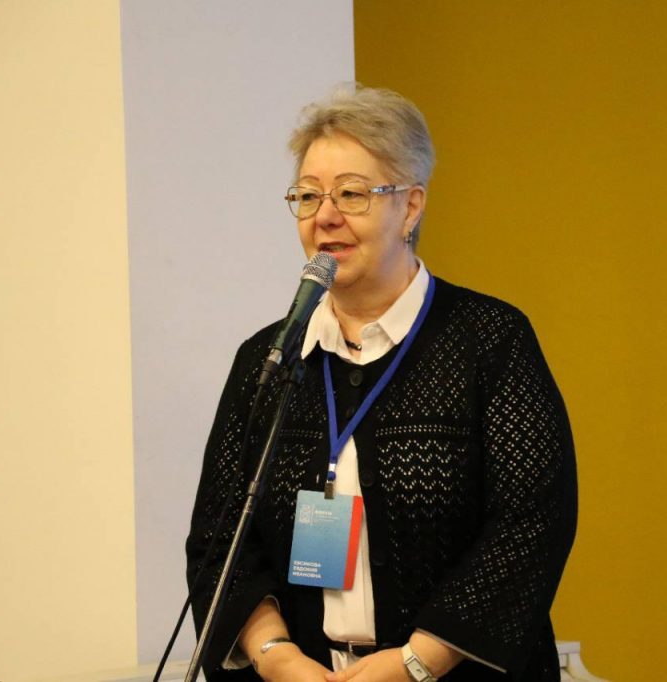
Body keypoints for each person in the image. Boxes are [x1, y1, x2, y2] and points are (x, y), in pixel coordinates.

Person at [186, 84, 577, 682]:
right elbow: (220, 535)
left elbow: (531, 524)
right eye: (308, 195)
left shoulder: (489, 340)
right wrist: (276, 655)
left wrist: (418, 661)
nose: (325, 216)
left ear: (411, 208)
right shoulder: (269, 357)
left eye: (351, 193)